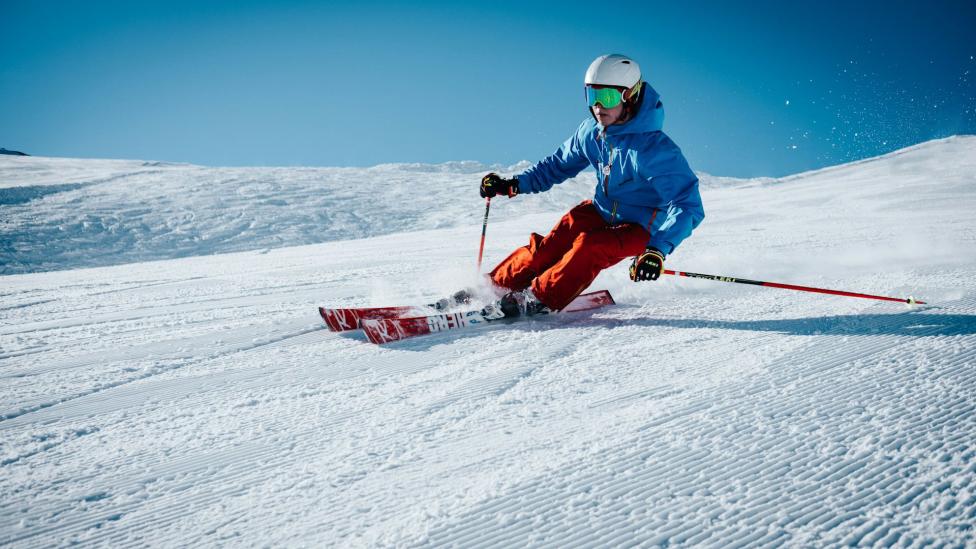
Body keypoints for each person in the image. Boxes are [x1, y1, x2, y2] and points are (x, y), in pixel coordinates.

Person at [479, 53, 704, 317]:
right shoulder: (591, 132)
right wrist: (513, 184)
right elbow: (556, 165)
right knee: (550, 246)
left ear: (629, 96)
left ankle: (538, 299)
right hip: (600, 210)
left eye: (607, 97)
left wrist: (657, 249)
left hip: (642, 227)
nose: (598, 106)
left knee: (591, 246)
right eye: (591, 96)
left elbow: (687, 205)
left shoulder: (655, 150)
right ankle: (492, 287)